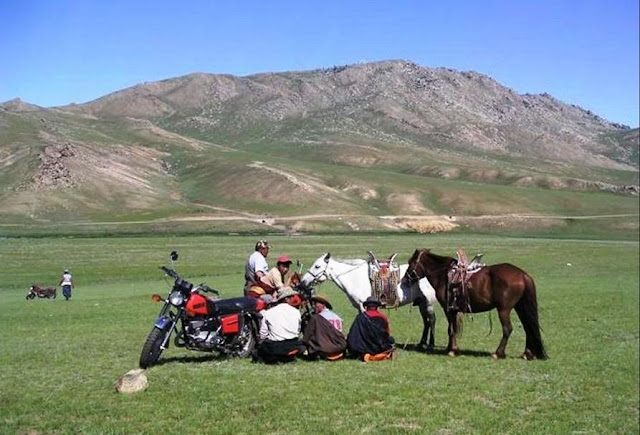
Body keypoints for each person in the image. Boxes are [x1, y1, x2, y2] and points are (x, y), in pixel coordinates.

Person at [255, 287, 303, 364]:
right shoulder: (296, 312)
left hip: (275, 347)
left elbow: (263, 334)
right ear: (286, 299)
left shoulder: (269, 312)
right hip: (293, 345)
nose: (293, 299)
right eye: (292, 297)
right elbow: (298, 330)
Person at [346, 296, 395, 361]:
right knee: (391, 340)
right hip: (380, 347)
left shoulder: (360, 317)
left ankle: (368, 356)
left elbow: (353, 334)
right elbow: (387, 333)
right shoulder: (383, 317)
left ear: (366, 307)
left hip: (363, 348)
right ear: (377, 307)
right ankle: (381, 355)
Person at [302, 294, 347, 361]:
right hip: (339, 348)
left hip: (325, 349)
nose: (314, 306)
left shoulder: (316, 318)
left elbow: (307, 337)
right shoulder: (337, 317)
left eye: (316, 303)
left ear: (323, 304)